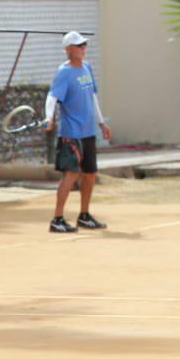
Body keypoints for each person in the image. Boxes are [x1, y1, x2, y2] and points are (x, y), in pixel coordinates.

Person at [45, 31, 111, 233]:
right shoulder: (64, 72)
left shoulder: (87, 67)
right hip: (71, 133)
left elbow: (92, 97)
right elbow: (52, 97)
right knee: (71, 174)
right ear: (68, 49)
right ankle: (57, 219)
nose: (83, 48)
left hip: (88, 131)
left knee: (90, 174)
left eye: (84, 45)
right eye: (79, 45)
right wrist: (49, 117)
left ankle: (84, 216)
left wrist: (101, 122)